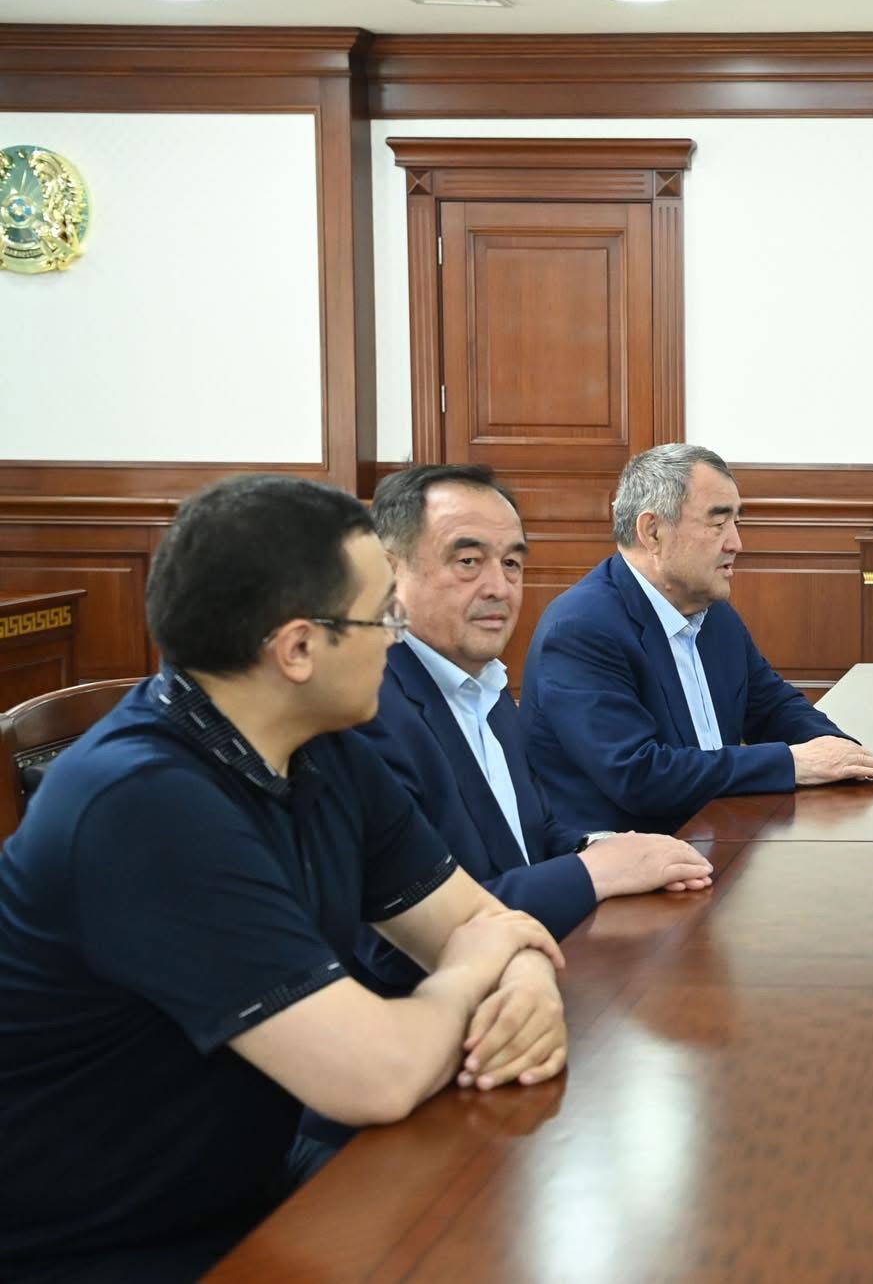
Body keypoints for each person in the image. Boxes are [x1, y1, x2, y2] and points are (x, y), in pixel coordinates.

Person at [0, 475, 568, 1282]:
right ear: (297, 649)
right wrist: (480, 967)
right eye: (382, 617)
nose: (395, 638)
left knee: (515, 1223)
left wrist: (531, 983)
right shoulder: (142, 805)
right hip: (101, 1246)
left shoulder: (326, 746)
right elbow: (376, 1076)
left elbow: (485, 922)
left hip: (245, 1185)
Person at [355, 464, 714, 994]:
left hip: (536, 971)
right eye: (468, 562)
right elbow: (396, 946)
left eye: (512, 563)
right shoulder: (366, 709)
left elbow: (530, 835)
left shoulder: (488, 685)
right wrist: (596, 873)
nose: (499, 588)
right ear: (389, 572)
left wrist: (607, 847)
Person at [525, 444, 873, 836]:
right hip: (626, 854)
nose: (736, 543)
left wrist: (841, 752)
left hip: (714, 835)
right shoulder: (581, 629)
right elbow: (639, 775)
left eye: (736, 522)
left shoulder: (712, 613)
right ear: (652, 532)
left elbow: (772, 706)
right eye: (718, 524)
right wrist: (793, 763)